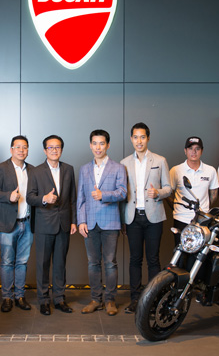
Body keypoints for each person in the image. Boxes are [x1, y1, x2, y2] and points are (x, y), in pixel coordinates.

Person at [120, 122, 171, 314]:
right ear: (131, 139)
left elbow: (169, 188)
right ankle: (135, 299)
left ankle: (153, 299)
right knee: (135, 259)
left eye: (142, 137)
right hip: (133, 217)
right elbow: (122, 194)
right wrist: (123, 220)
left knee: (153, 259)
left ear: (148, 138)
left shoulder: (160, 160)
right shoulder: (124, 163)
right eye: (135, 137)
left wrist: (158, 192)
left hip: (154, 217)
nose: (139, 141)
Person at [77, 129, 127, 316]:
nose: (98, 147)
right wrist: (81, 220)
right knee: (93, 263)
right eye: (95, 143)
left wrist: (103, 195)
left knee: (110, 263)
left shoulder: (118, 168)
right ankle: (95, 299)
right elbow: (81, 198)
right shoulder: (84, 169)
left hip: (110, 222)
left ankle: (110, 300)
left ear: (108, 145)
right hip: (89, 223)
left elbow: (123, 192)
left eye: (102, 143)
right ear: (90, 145)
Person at [26, 135, 77, 316]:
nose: (54, 150)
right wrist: (44, 199)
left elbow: (72, 198)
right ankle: (44, 300)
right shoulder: (36, 171)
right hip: (44, 224)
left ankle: (59, 299)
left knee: (60, 264)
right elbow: (29, 197)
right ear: (45, 150)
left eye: (57, 147)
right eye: (50, 147)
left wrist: (73, 221)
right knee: (43, 264)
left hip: (64, 223)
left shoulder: (69, 169)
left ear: (61, 149)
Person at [0, 135, 34, 313]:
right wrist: (9, 196)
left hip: (28, 223)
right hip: (8, 223)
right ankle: (7, 297)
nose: (21, 150)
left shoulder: (32, 170)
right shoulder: (1, 168)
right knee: (7, 262)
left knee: (22, 262)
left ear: (28, 150)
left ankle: (20, 296)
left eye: (24, 147)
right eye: (18, 147)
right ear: (11, 150)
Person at [169, 136, 219, 245]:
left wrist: (203, 210)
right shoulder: (175, 170)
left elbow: (214, 194)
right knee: (181, 252)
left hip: (203, 220)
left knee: (201, 253)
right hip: (181, 219)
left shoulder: (210, 170)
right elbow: (168, 193)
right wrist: (177, 206)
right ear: (185, 151)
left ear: (202, 151)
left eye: (197, 149)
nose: (194, 152)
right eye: (190, 148)